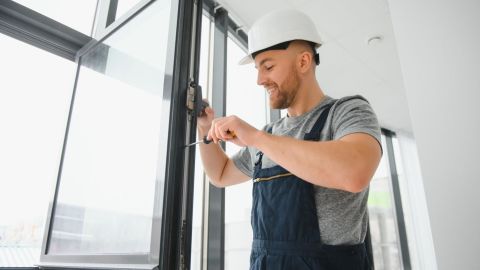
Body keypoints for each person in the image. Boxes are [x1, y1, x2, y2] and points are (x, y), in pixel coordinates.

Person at [197, 8, 382, 270]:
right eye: (258, 69)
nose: (260, 80)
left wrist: (257, 138)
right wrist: (205, 127)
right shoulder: (268, 136)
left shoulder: (347, 112)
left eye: (268, 67)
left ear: (304, 62)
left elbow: (354, 173)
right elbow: (220, 174)